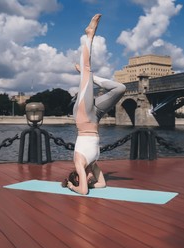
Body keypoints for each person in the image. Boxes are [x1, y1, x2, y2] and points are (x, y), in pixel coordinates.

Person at [62, 14, 127, 195]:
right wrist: (92, 180)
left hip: (83, 116)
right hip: (95, 116)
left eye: (86, 180)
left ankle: (89, 35)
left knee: (87, 67)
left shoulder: (79, 163)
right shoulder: (93, 163)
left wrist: (71, 186)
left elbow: (83, 192)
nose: (91, 181)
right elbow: (101, 185)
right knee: (120, 88)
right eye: (89, 181)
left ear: (78, 176)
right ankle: (88, 75)